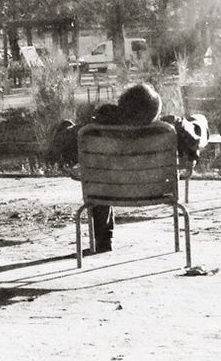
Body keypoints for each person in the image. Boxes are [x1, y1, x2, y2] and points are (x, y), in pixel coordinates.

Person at [52, 81, 207, 253]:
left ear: (121, 106)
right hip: (155, 189)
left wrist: (68, 130)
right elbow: (194, 139)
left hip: (108, 190)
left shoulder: (93, 129)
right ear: (154, 112)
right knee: (199, 122)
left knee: (101, 174)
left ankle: (102, 241)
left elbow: (60, 145)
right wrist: (192, 153)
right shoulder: (167, 129)